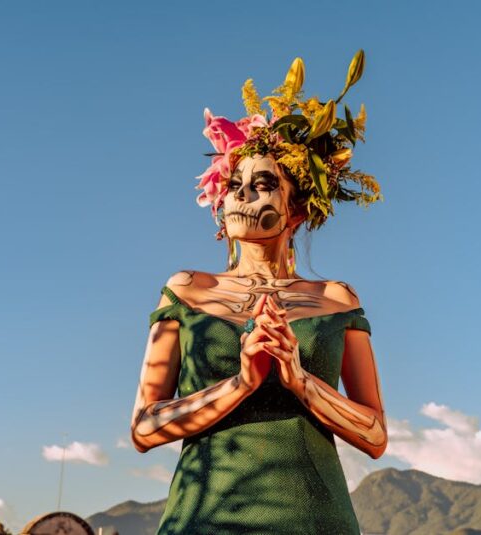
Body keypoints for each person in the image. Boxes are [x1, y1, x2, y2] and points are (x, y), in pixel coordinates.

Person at [130, 50, 386, 534]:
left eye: (263, 183)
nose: (241, 194)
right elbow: (144, 427)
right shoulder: (185, 290)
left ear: (296, 213)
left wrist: (300, 380)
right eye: (234, 182)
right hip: (202, 521)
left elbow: (375, 435)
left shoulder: (337, 299)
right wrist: (241, 383)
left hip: (317, 521)